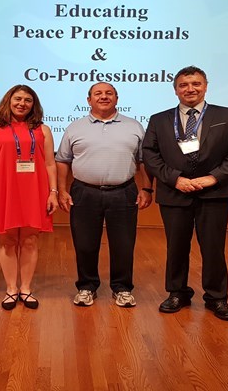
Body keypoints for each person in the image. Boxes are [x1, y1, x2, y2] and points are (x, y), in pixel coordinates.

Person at [142, 65, 228, 320]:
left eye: (196, 84)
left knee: (213, 247)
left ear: (206, 87)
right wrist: (174, 179)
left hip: (214, 192)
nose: (190, 89)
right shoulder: (159, 119)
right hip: (174, 192)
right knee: (176, 247)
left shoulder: (227, 115)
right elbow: (150, 154)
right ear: (176, 90)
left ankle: (216, 297)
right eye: (183, 85)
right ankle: (177, 293)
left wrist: (213, 177)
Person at [56, 82, 153, 308]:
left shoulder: (134, 126)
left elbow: (144, 161)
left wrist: (147, 188)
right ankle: (86, 287)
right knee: (84, 244)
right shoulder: (75, 127)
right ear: (88, 100)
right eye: (97, 93)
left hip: (124, 191)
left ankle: (122, 289)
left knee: (124, 244)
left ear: (117, 98)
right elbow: (62, 160)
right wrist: (61, 190)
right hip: (84, 192)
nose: (103, 96)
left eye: (109, 93)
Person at [0, 85, 58, 310]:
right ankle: (11, 289)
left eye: (28, 100)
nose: (22, 103)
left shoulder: (43, 130)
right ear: (8, 101)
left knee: (30, 240)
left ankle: (26, 289)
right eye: (18, 99)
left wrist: (53, 192)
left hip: (35, 189)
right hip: (4, 189)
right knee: (8, 240)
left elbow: (50, 164)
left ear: (34, 105)